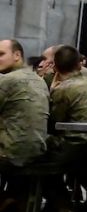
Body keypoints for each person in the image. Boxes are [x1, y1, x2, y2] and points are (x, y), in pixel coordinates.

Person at [40, 45, 87, 212]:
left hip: (75, 143)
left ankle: (63, 207)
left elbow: (54, 121)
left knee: (37, 160)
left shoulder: (64, 89)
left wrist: (51, 92)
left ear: (55, 67)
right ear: (79, 65)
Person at [0, 39, 50, 183]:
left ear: (17, 55)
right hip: (36, 150)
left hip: (10, 153)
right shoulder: (38, 80)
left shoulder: (8, 80)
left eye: (1, 54)